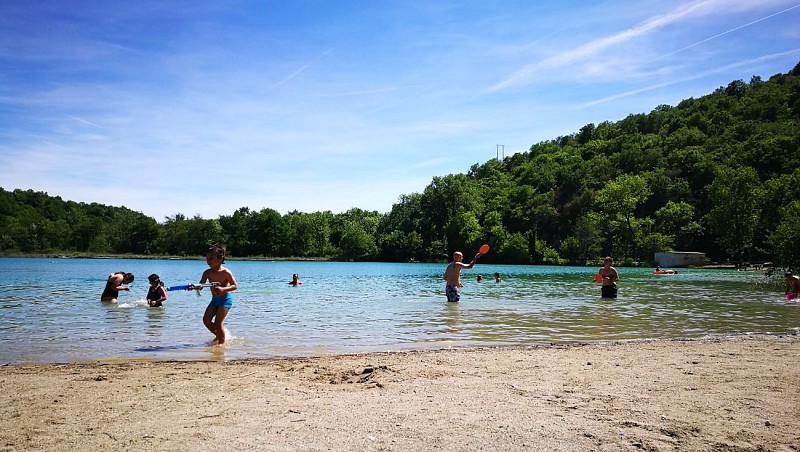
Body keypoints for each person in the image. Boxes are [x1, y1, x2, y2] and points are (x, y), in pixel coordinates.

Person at [197, 244, 238, 345]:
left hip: (225, 300)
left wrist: (223, 289)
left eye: (211, 258)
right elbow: (201, 284)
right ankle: (219, 335)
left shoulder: (225, 272)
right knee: (206, 320)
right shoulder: (207, 272)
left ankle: (221, 344)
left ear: (221, 258)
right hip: (214, 300)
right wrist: (195, 287)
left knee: (218, 322)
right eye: (207, 258)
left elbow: (234, 286)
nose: (208, 260)